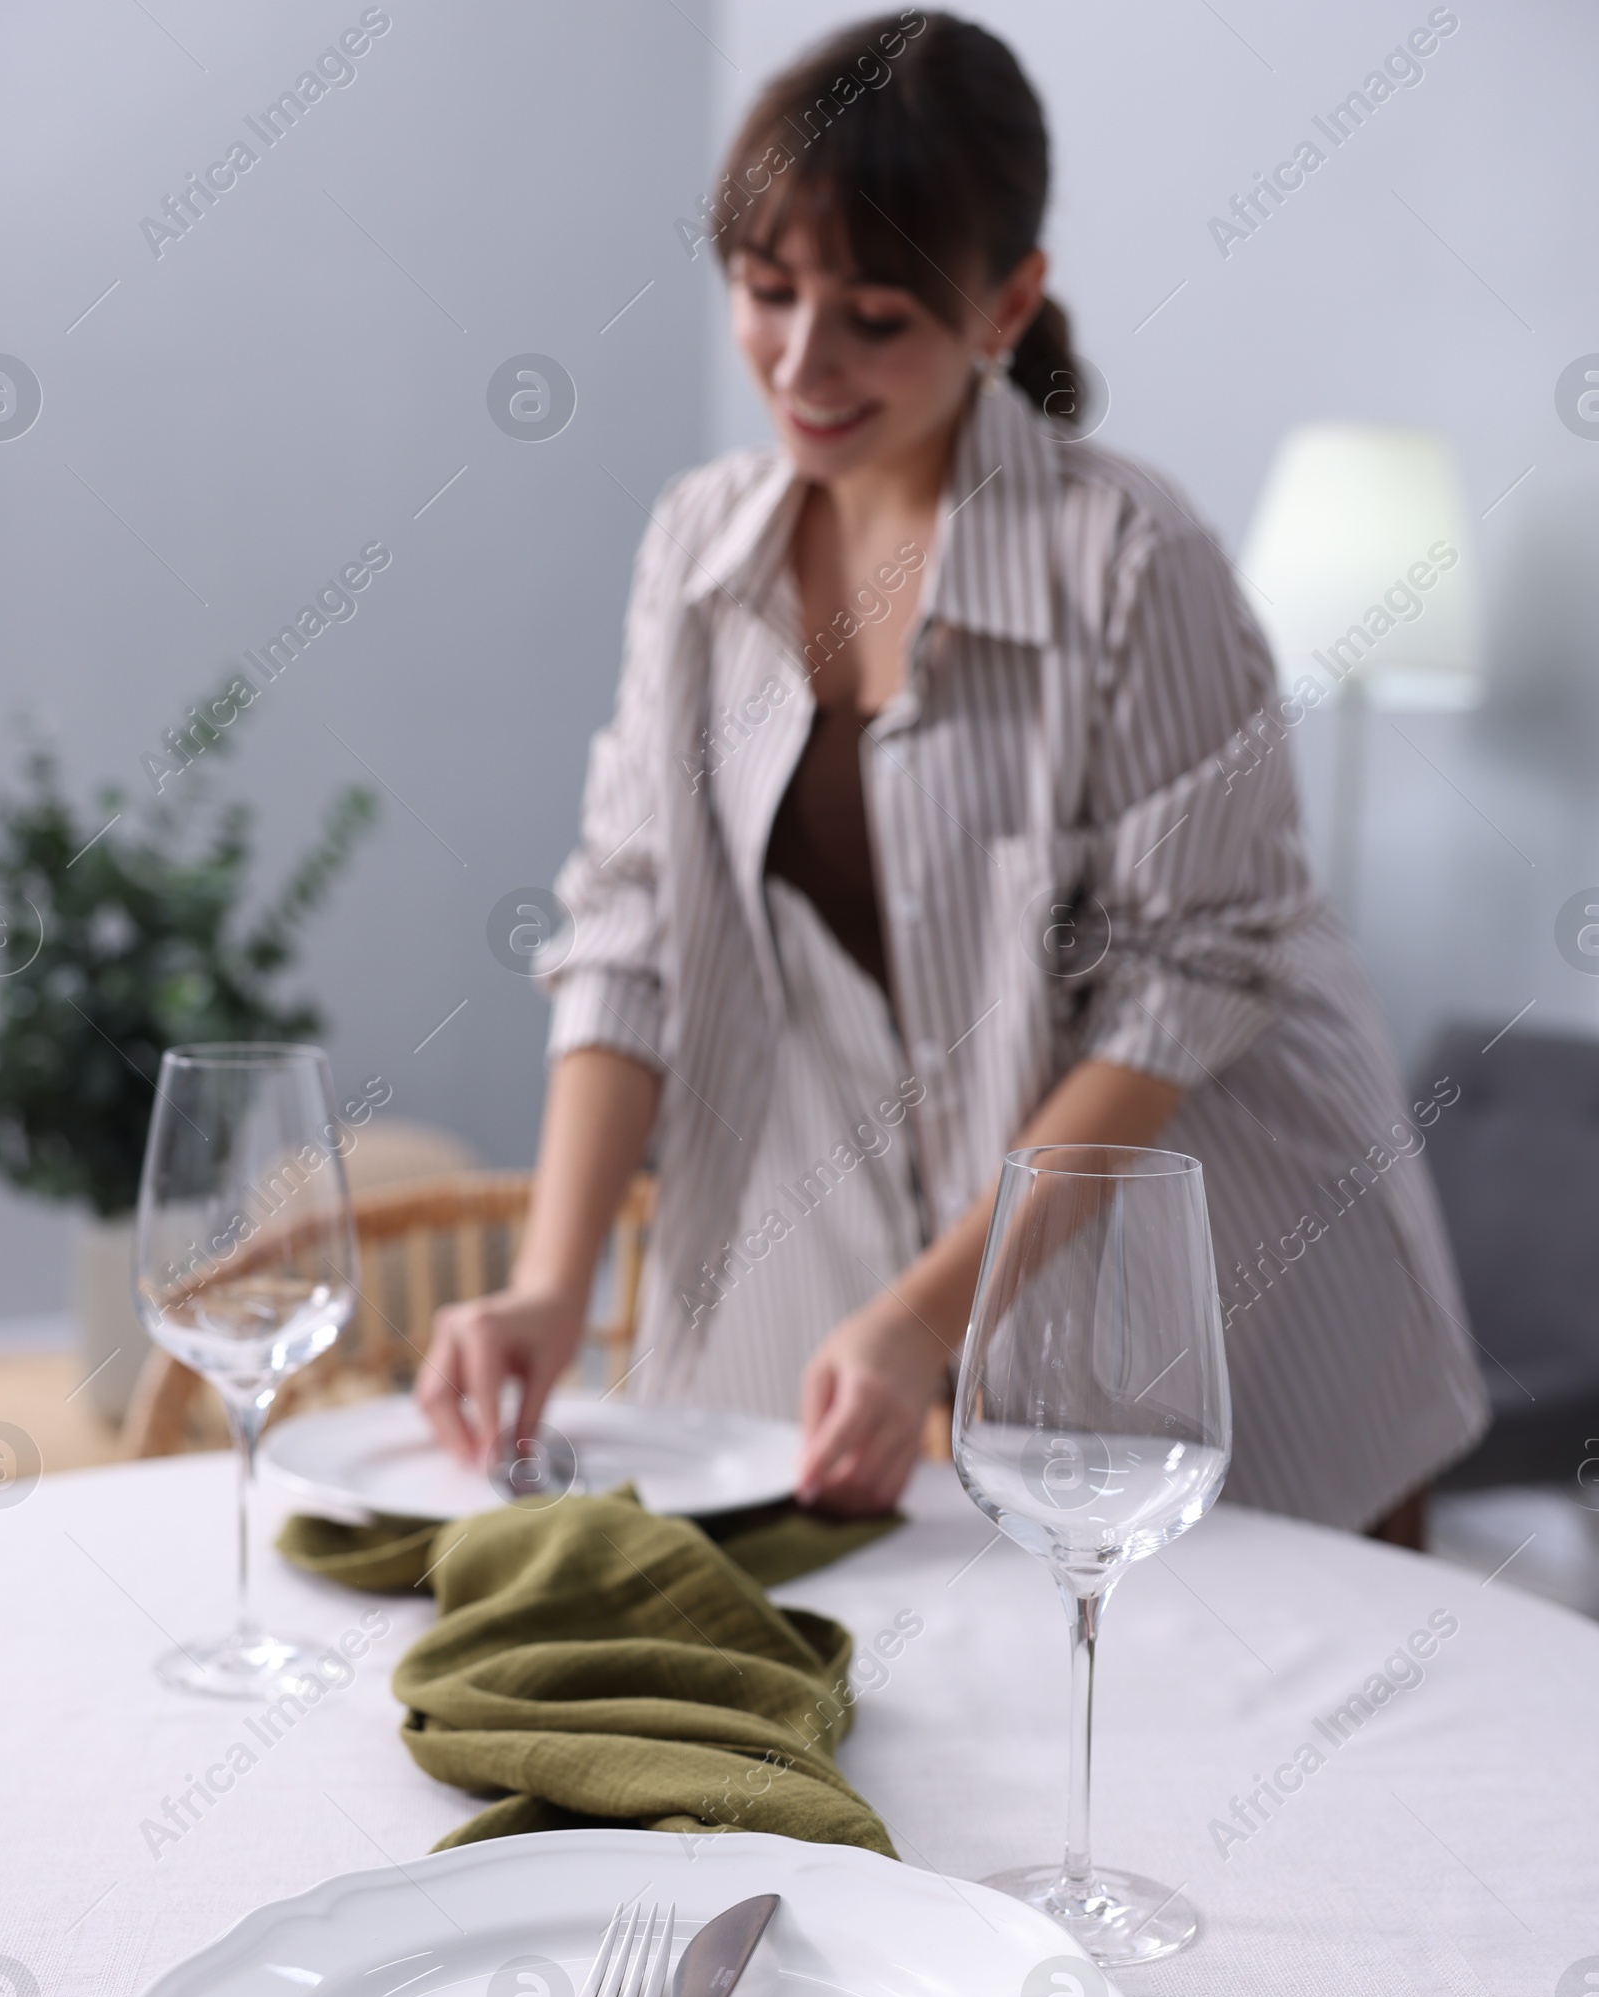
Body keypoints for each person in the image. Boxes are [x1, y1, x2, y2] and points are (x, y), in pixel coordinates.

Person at [418, 10, 1487, 1536]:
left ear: (1006, 306)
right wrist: (548, 1287)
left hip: (1244, 1268)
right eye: (765, 291)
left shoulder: (1131, 561)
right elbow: (630, 921)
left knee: (1285, 1728)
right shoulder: (699, 547)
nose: (802, 361)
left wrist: (934, 1315)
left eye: (873, 315)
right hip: (963, 1272)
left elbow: (1183, 984)